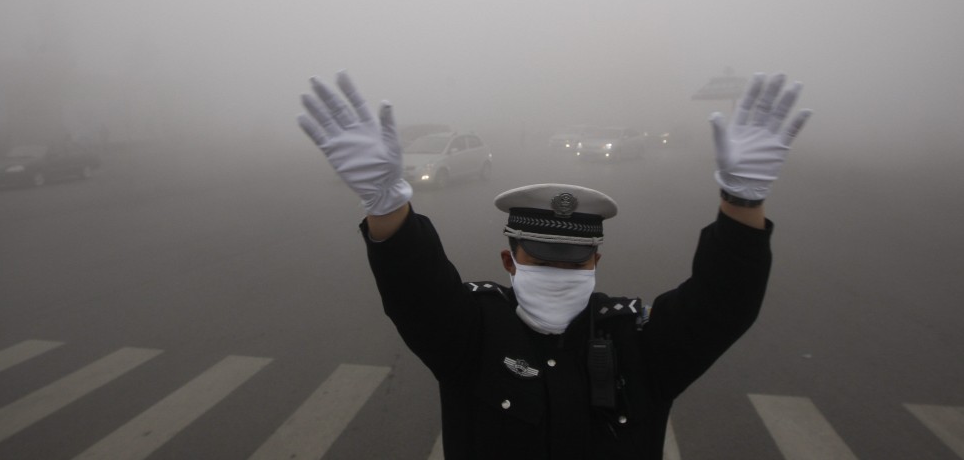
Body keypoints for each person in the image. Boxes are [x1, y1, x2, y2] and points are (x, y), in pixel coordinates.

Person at [297, 71, 811, 460]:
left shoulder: (638, 343)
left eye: (573, 258)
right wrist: (386, 205)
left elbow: (723, 303)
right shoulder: (472, 335)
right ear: (509, 261)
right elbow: (416, 289)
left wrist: (742, 202)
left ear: (595, 262)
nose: (558, 269)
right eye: (541, 256)